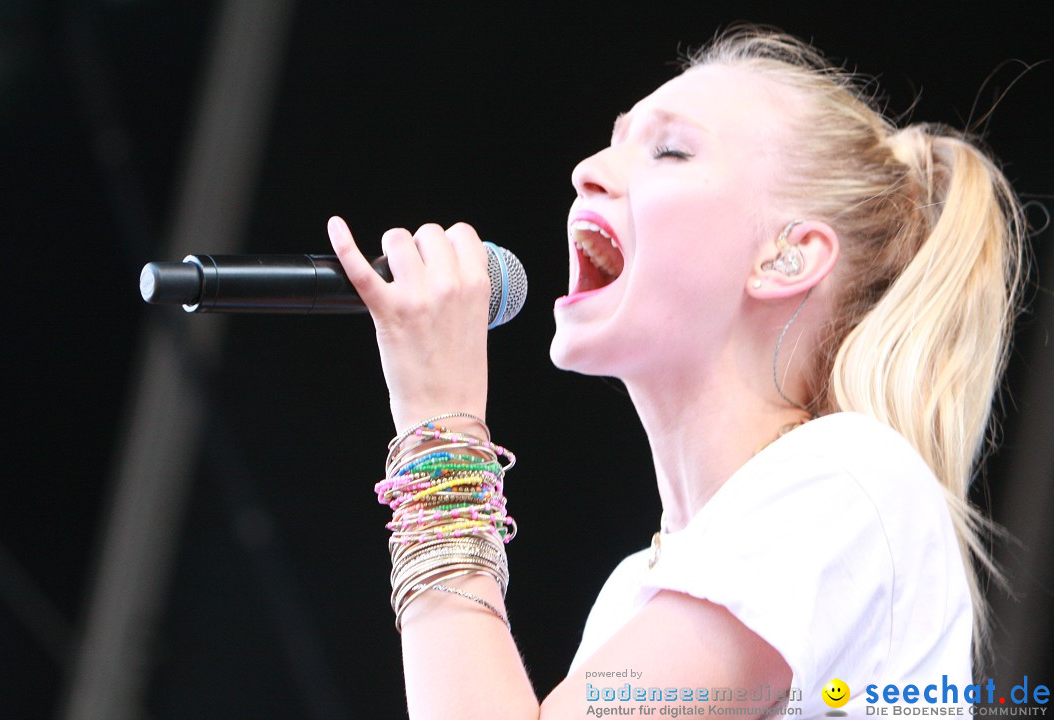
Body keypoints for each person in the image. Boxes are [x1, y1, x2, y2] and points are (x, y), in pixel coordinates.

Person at [325, 26, 1024, 719]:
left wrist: (439, 427)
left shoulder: (848, 481)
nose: (588, 169)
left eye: (669, 150)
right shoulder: (638, 590)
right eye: (615, 137)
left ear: (787, 257)